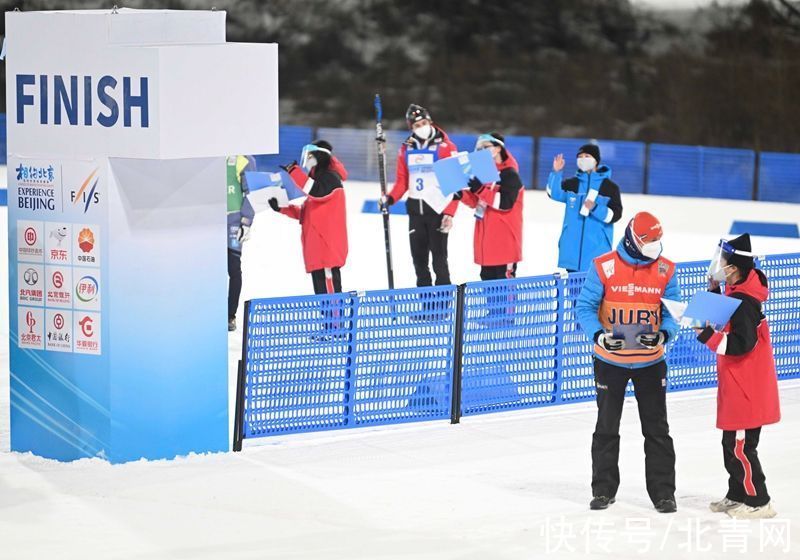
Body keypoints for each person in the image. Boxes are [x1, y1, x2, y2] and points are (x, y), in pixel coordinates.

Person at [576, 211, 680, 513]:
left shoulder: (666, 269)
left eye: (658, 241)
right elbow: (585, 306)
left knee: (657, 429)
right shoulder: (604, 266)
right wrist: (598, 336)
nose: (655, 247)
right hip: (611, 362)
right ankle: (603, 490)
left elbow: (672, 312)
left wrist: (663, 335)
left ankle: (663, 494)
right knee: (606, 427)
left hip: (651, 363)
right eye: (649, 242)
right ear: (634, 239)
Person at [696, 234, 781, 519]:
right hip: (735, 385)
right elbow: (722, 316)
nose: (718, 265)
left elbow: (741, 343)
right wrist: (714, 292)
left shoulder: (745, 302)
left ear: (734, 267)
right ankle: (737, 494)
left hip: (747, 389)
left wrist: (707, 336)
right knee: (730, 445)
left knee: (743, 448)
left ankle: (759, 501)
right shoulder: (735, 292)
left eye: (722, 261)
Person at [380, 104, 459, 287]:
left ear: (430, 121)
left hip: (437, 210)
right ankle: (426, 306)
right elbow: (402, 181)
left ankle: (442, 305)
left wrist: (449, 213)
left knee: (439, 261)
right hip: (416, 212)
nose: (421, 128)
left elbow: (455, 186)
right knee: (419, 262)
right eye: (416, 126)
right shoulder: (407, 147)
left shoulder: (446, 146)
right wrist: (390, 199)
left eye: (423, 123)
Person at [270, 140, 348, 295]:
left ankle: (336, 320)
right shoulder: (320, 180)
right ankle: (329, 320)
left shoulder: (331, 179)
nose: (307, 160)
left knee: (331, 299)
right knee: (322, 299)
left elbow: (315, 191)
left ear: (319, 156)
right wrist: (281, 208)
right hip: (317, 250)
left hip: (327, 250)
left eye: (310, 156)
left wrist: (294, 171)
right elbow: (307, 213)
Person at [547, 144, 623, 272]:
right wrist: (556, 172)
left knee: (593, 291)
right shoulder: (573, 183)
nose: (583, 159)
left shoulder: (609, 187)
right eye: (580, 157)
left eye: (587, 156)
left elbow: (615, 215)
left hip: (598, 253)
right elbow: (552, 193)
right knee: (572, 291)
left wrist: (595, 208)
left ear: (596, 161)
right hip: (572, 253)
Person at [458, 132, 524, 281]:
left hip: (505, 242)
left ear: (498, 148)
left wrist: (480, 189)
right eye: (479, 148)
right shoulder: (484, 173)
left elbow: (504, 203)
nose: (481, 151)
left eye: (485, 147)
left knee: (504, 290)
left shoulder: (510, 174)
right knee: (488, 288)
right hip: (487, 242)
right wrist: (461, 195)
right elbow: (478, 202)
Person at [227, 155, 256, 332]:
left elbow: (251, 193)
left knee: (233, 268)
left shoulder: (243, 159)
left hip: (233, 223)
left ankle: (230, 315)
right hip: (209, 222)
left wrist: (246, 222)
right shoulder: (209, 154)